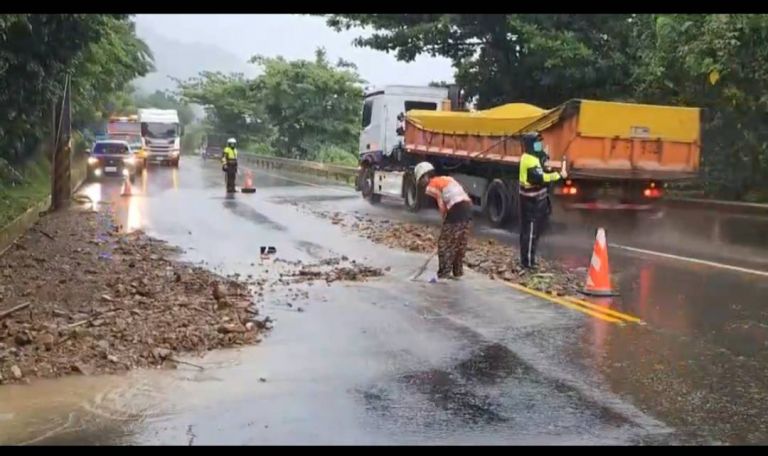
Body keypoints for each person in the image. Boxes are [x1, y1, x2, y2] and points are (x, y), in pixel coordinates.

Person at [414, 162, 473, 280]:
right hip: (467, 208)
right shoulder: (446, 178)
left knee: (444, 243)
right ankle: (457, 272)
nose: (421, 184)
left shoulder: (431, 185)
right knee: (459, 243)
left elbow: (441, 202)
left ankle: (443, 273)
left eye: (420, 180)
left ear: (425, 176)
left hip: (456, 209)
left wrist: (445, 218)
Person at [518, 132, 567, 269]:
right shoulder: (529, 160)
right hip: (531, 201)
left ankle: (528, 260)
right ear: (531, 145)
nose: (539, 145)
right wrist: (558, 175)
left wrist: (544, 158)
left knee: (531, 231)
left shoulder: (530, 157)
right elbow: (540, 178)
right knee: (530, 232)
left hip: (534, 200)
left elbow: (541, 164)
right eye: (537, 143)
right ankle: (528, 263)